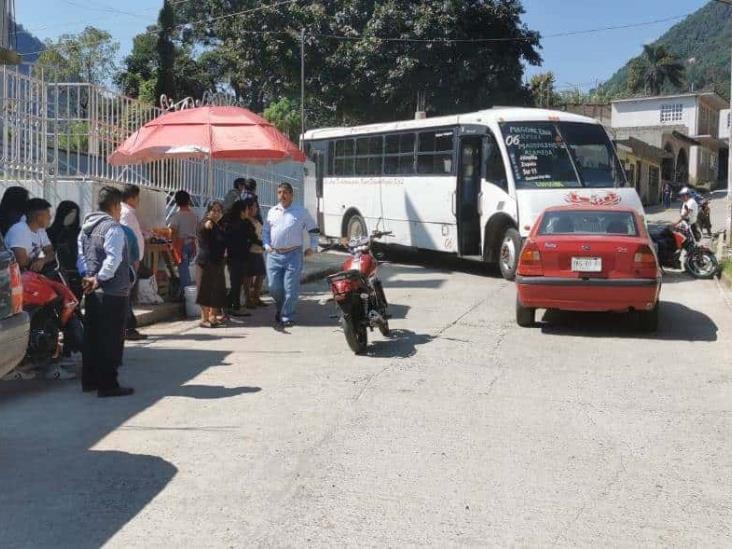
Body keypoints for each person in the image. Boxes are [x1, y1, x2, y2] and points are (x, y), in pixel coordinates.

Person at [77, 186, 135, 397]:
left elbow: (81, 255)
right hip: (112, 293)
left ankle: (90, 380)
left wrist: (88, 276)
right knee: (110, 340)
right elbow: (113, 259)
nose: (120, 212)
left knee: (92, 337)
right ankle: (108, 384)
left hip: (92, 291)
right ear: (114, 205)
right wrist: (100, 279)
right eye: (119, 207)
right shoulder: (113, 229)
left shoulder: (86, 228)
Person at [263, 182, 319, 327]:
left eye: (286, 192)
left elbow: (313, 229)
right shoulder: (272, 211)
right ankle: (281, 309)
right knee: (273, 287)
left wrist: (313, 247)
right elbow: (266, 232)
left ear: (292, 195)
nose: (283, 195)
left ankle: (287, 316)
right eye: (280, 192)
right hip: (274, 255)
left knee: (290, 289)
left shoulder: (300, 211)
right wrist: (267, 245)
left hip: (293, 255)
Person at [120, 184, 147, 341]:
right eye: (137, 197)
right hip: (129, 261)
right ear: (131, 198)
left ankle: (129, 327)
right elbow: (127, 239)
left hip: (132, 260)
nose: (138, 201)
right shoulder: (126, 213)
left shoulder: (128, 212)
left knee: (129, 296)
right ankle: (128, 328)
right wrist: (133, 260)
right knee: (128, 296)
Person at [196, 201, 227, 328]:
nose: (216, 213)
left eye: (219, 211)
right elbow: (205, 226)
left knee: (217, 289)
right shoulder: (206, 222)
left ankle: (213, 316)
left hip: (217, 262)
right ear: (208, 211)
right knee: (206, 290)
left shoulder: (219, 225)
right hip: (206, 261)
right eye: (213, 210)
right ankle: (204, 318)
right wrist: (208, 223)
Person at [5, 198, 56, 273]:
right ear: (39, 217)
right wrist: (41, 256)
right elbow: (22, 262)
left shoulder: (41, 230)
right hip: (15, 276)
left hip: (30, 274)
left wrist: (42, 260)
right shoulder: (19, 230)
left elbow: (51, 252)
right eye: (48, 214)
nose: (50, 217)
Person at [223, 200, 252, 317]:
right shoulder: (242, 224)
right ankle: (235, 307)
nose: (248, 212)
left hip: (233, 256)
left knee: (236, 282)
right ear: (242, 211)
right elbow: (247, 238)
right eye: (246, 210)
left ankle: (230, 305)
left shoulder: (231, 223)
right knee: (236, 283)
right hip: (239, 256)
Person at [47, 200, 82, 299]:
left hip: (76, 275)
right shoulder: (51, 232)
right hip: (57, 275)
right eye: (69, 213)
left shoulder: (80, 233)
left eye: (74, 214)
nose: (72, 217)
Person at [168, 190, 199, 299]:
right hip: (192, 245)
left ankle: (187, 295)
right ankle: (183, 292)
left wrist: (173, 243)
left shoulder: (177, 216)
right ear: (188, 200)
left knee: (183, 269)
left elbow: (173, 232)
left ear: (176, 202)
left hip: (182, 245)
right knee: (185, 269)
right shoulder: (194, 215)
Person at [241, 196, 267, 308]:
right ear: (248, 208)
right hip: (250, 251)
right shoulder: (246, 221)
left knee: (261, 274)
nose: (256, 208)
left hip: (258, 251)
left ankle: (256, 297)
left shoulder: (256, 219)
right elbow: (251, 238)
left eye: (256, 206)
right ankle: (248, 299)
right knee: (248, 276)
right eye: (254, 206)